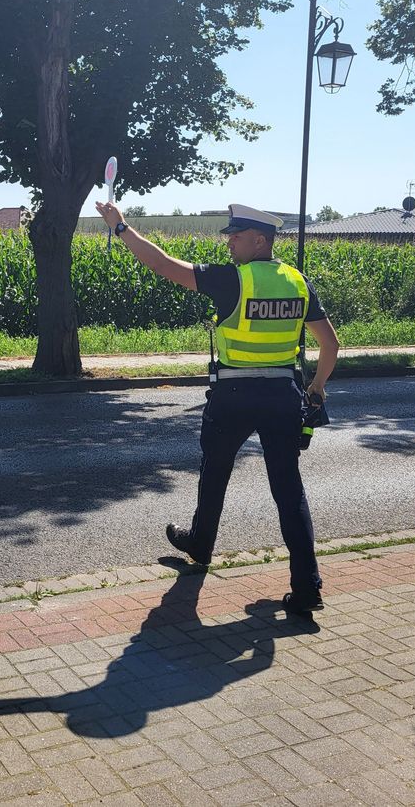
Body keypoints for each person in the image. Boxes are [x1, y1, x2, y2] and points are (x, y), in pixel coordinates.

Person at [94, 200, 339, 614]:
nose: (229, 243)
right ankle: (308, 587)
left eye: (236, 237)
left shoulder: (234, 279)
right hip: (284, 396)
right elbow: (330, 344)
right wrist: (316, 388)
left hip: (234, 395)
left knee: (215, 472)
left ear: (260, 240)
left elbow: (163, 265)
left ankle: (201, 544)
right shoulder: (298, 282)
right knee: (288, 490)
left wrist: (121, 227)